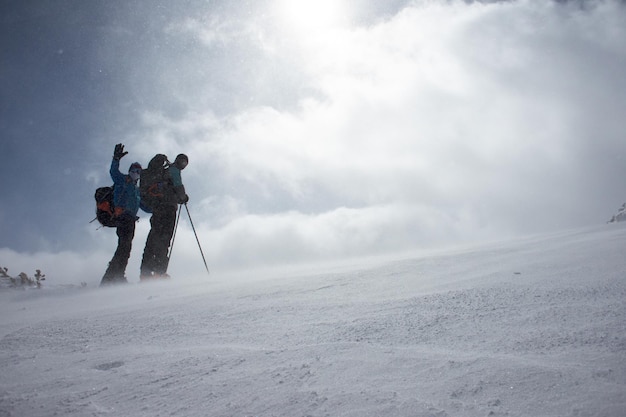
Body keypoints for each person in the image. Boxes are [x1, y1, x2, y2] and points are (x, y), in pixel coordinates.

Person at [100, 144, 149, 286]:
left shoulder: (136, 190)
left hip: (131, 220)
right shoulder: (123, 180)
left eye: (138, 172)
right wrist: (116, 158)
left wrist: (159, 208)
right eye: (134, 170)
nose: (136, 173)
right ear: (130, 171)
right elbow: (113, 172)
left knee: (125, 247)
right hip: (122, 217)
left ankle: (114, 276)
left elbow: (145, 207)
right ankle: (113, 277)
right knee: (124, 246)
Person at [140, 153, 189, 280]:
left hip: (158, 208)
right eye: (183, 162)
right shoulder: (174, 170)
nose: (183, 165)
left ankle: (145, 273)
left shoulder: (163, 173)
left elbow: (169, 190)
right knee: (164, 239)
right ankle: (159, 272)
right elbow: (178, 188)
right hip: (168, 209)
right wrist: (183, 198)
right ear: (178, 161)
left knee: (153, 237)